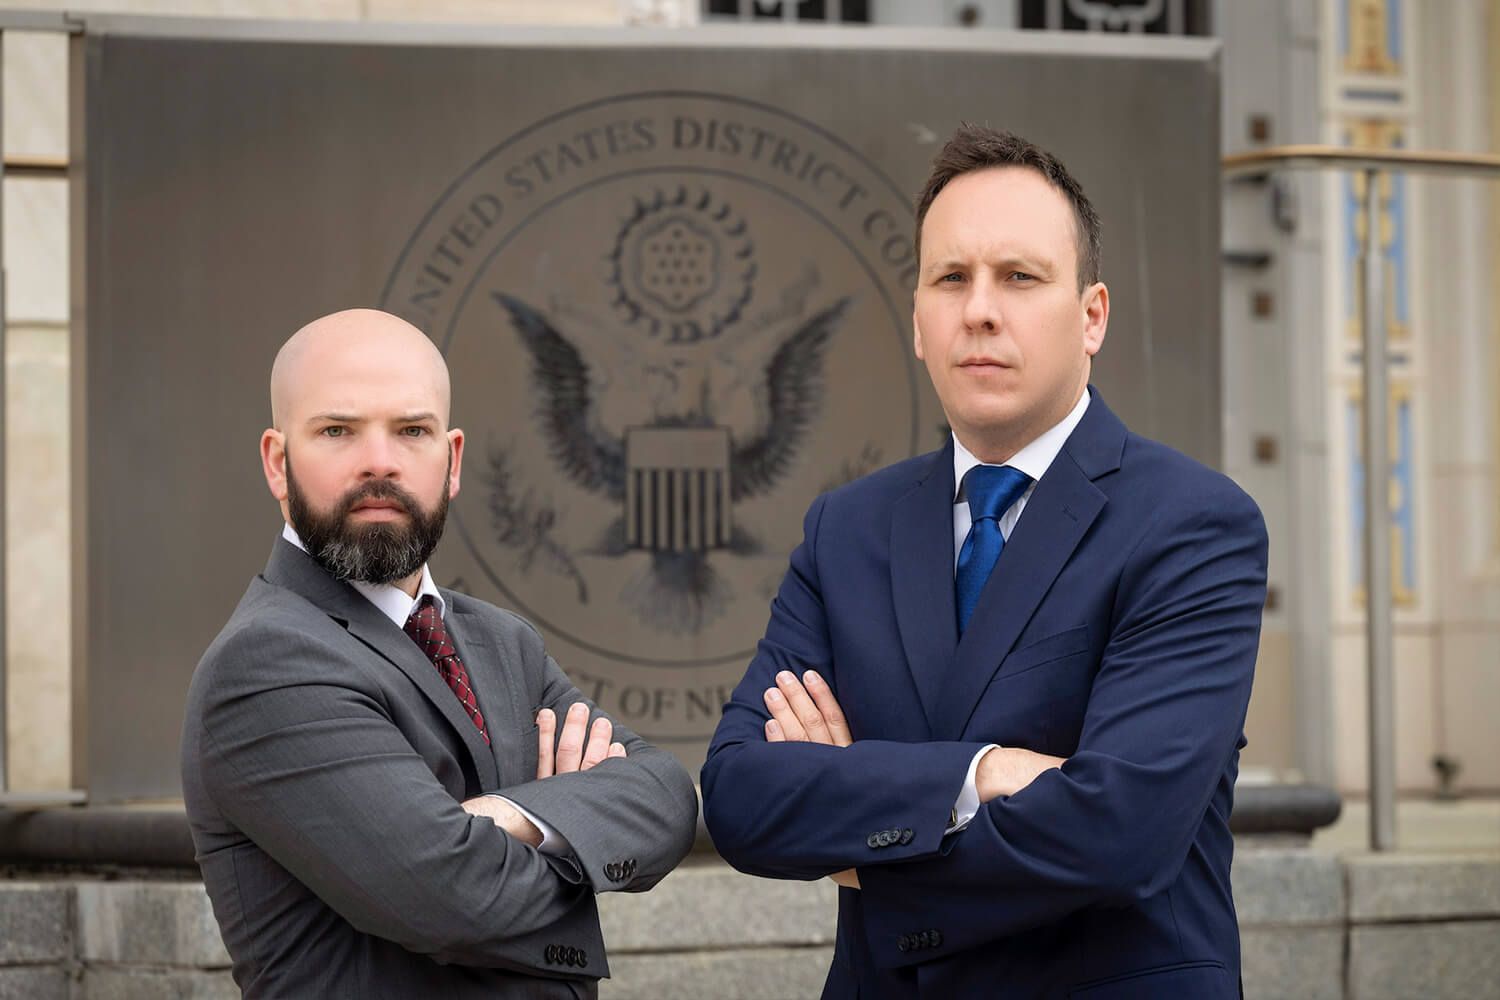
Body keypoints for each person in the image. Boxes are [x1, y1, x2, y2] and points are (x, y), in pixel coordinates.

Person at [701, 125, 1267, 999]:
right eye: (951, 279)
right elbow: (740, 795)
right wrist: (984, 775)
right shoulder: (847, 529)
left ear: (1092, 317)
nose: (980, 310)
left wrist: (861, 834)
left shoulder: (1191, 525)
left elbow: (1122, 834)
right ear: (919, 320)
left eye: (1020, 277)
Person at [181, 309, 698, 999]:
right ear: (278, 462)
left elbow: (664, 797)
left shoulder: (503, 642)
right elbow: (456, 900)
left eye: (412, 430)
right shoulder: (265, 664)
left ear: (451, 461)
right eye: (338, 430)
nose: (380, 460)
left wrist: (510, 817)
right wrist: (579, 830)